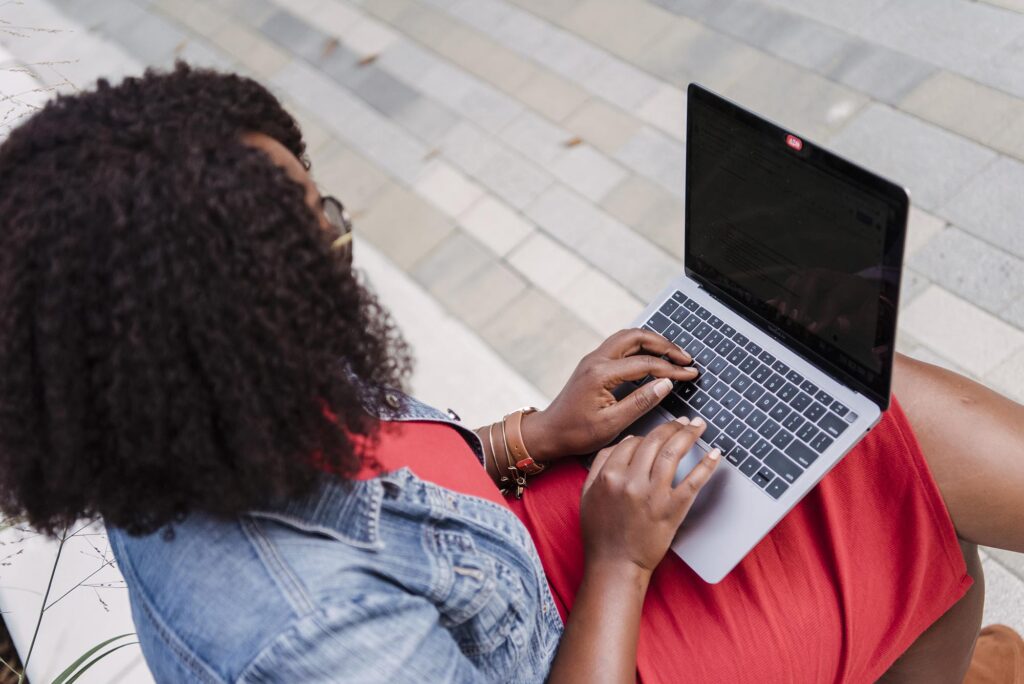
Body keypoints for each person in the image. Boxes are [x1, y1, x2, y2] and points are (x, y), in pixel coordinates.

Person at [0, 63, 1021, 683]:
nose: (334, 233)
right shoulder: (306, 634)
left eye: (315, 208)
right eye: (311, 236)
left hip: (522, 571)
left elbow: (387, 486)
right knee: (906, 493)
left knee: (851, 412)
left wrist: (531, 437)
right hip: (583, 643)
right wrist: (621, 562)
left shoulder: (189, 408)